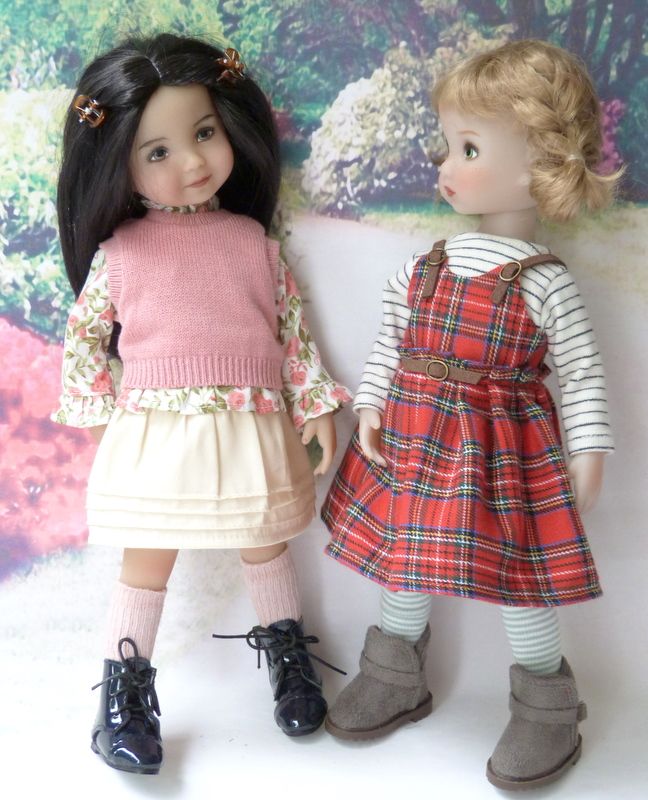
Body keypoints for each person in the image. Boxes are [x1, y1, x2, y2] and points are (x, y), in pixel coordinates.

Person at [321, 38, 621, 790]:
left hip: (504, 453)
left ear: (538, 164)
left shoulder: (543, 283)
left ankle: (546, 706)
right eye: (448, 146)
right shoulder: (420, 267)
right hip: (416, 441)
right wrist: (370, 405)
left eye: (469, 148)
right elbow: (390, 345)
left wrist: (588, 456)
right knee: (405, 557)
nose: (445, 166)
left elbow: (583, 374)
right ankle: (394, 672)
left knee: (522, 577)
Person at [53, 33, 350, 775]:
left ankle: (289, 660)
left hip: (249, 424)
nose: (190, 162)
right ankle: (123, 694)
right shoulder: (121, 252)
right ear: (116, 164)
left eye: (205, 133)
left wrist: (314, 401)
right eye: (157, 151)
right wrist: (97, 413)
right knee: (146, 560)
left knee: (265, 541)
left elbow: (290, 332)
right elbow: (84, 336)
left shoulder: (253, 243)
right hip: (158, 431)